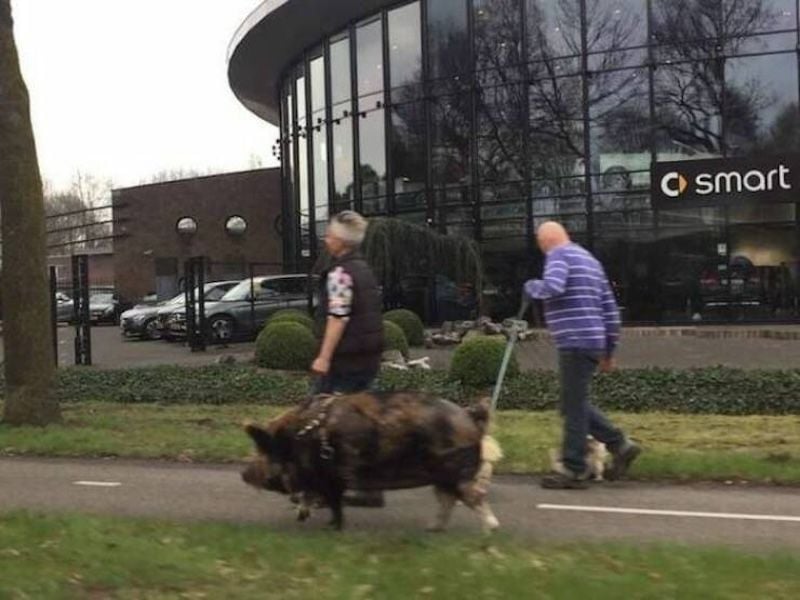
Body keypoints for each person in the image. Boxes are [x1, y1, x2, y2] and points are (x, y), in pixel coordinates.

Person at [523, 221, 641, 489]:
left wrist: (531, 287)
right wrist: (609, 350)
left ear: (545, 241)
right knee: (571, 403)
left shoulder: (558, 255)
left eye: (541, 244)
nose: (542, 250)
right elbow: (611, 310)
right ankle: (620, 445)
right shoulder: (590, 261)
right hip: (593, 341)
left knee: (573, 407)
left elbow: (553, 286)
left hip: (573, 340)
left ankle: (574, 468)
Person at [311, 210, 385, 506]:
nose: (326, 239)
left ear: (340, 242)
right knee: (363, 421)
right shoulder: (363, 269)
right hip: (367, 357)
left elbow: (338, 318)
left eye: (329, 234)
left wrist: (324, 357)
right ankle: (370, 486)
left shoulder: (340, 273)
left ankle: (322, 487)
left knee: (318, 421)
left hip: (345, 360)